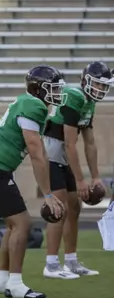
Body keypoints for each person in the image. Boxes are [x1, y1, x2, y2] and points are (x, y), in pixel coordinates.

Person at [0, 65, 66, 298]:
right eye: (53, 89)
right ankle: (15, 284)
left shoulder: (28, 102)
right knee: (23, 224)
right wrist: (47, 193)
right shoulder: (33, 105)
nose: (56, 94)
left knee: (14, 225)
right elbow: (37, 153)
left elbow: (40, 153)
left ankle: (2, 278)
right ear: (40, 89)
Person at [42, 61, 112, 279]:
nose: (100, 89)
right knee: (59, 208)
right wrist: (81, 180)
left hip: (63, 154)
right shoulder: (74, 96)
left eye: (103, 86)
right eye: (97, 84)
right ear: (85, 80)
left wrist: (96, 176)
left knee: (74, 207)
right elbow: (71, 143)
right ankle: (51, 264)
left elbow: (89, 143)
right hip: (51, 152)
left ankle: (71, 260)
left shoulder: (89, 103)